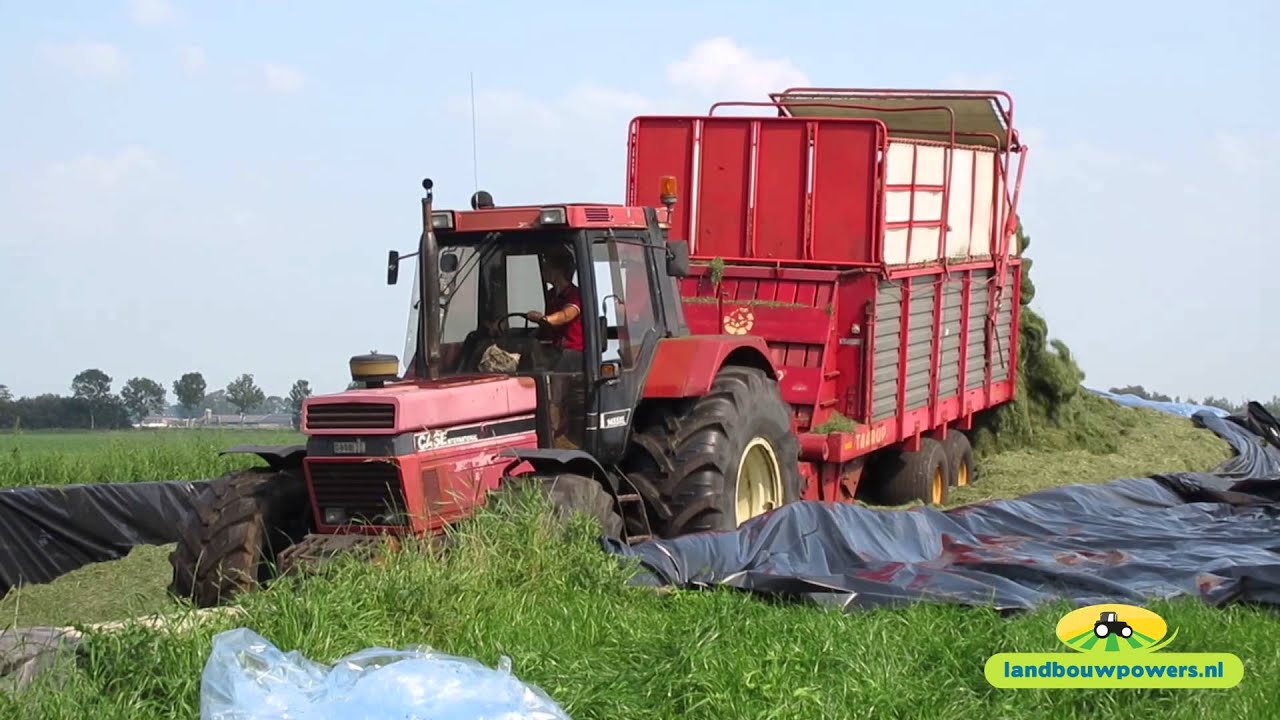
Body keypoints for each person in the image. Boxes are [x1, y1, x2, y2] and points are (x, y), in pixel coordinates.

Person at [526, 246, 584, 444]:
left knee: (555, 387)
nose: (543, 270)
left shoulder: (575, 295)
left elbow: (566, 315)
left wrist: (544, 318)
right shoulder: (552, 295)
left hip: (575, 353)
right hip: (557, 350)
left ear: (558, 269)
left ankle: (555, 434)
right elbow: (549, 328)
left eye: (546, 266)